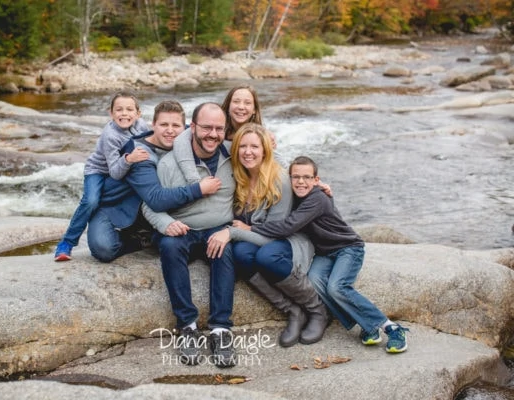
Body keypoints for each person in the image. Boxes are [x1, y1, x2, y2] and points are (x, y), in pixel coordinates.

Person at [240, 155, 410, 353]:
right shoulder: (294, 195)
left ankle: (391, 327)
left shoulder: (318, 198)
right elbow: (272, 161)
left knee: (336, 288)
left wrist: (249, 228)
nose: (301, 182)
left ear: (316, 180)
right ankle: (367, 327)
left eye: (306, 177)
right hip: (324, 252)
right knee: (313, 281)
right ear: (289, 178)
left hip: (347, 248)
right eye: (296, 177)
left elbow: (288, 226)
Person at [206, 123, 328, 348]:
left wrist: (231, 232)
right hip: (254, 237)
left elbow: (275, 234)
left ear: (265, 150)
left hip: (287, 239)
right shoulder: (239, 175)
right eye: (242, 146)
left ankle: (316, 309)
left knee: (267, 257)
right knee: (241, 253)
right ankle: (292, 311)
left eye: (254, 146)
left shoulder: (279, 180)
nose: (248, 151)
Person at [142, 103, 237, 368]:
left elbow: (266, 165)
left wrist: (312, 184)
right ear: (192, 127)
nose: (213, 134)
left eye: (219, 129)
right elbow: (149, 205)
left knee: (226, 249)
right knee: (170, 247)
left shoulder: (232, 157)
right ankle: (187, 326)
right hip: (182, 230)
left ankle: (221, 330)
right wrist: (165, 224)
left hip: (218, 229)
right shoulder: (169, 163)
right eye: (206, 127)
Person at [85, 100, 221, 262]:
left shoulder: (188, 137)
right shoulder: (140, 153)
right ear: (153, 125)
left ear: (184, 128)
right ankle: (139, 240)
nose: (170, 131)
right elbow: (155, 199)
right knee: (103, 248)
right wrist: (198, 189)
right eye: (164, 125)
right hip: (117, 207)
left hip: (148, 210)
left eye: (175, 126)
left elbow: (212, 136)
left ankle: (147, 234)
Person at [54, 91, 151, 261]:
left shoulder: (141, 125)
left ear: (138, 113)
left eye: (129, 109)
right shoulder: (110, 135)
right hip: (99, 171)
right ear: (111, 113)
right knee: (91, 200)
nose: (124, 114)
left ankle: (138, 232)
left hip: (123, 168)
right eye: (119, 110)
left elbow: (152, 139)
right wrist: (129, 159)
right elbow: (115, 172)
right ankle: (66, 243)